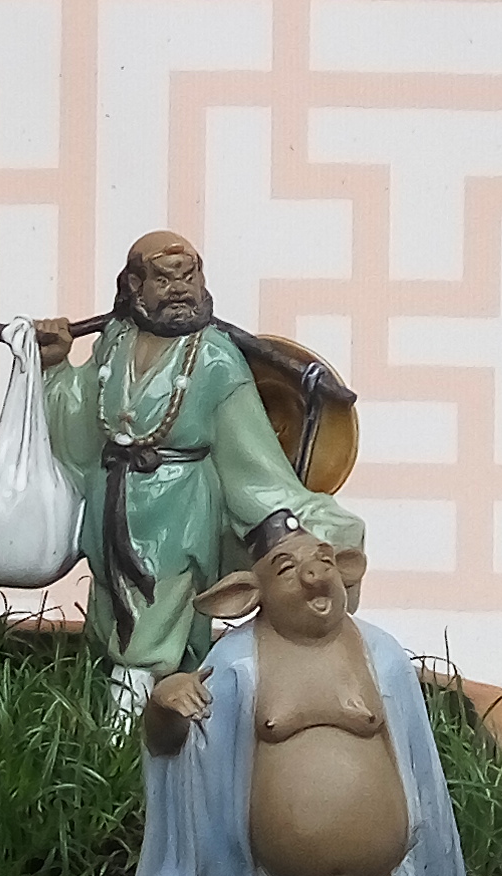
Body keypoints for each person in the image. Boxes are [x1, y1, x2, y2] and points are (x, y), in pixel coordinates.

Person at [128, 511, 502, 876]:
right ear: (247, 595)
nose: (313, 576)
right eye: (288, 568)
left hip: (382, 869)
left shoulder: (380, 655)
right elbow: (182, 753)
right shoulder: (236, 663)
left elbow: (416, 760)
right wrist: (164, 709)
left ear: (345, 572)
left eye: (324, 561)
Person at [37, 229, 364, 721]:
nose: (179, 289)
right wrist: (56, 365)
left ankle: (127, 730)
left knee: (154, 617)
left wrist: (299, 521)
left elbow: (252, 455)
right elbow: (81, 417)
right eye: (164, 278)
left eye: (189, 276)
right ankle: (120, 715)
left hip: (178, 512)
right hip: (111, 504)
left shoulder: (214, 356)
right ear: (133, 285)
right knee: (111, 610)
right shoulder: (114, 341)